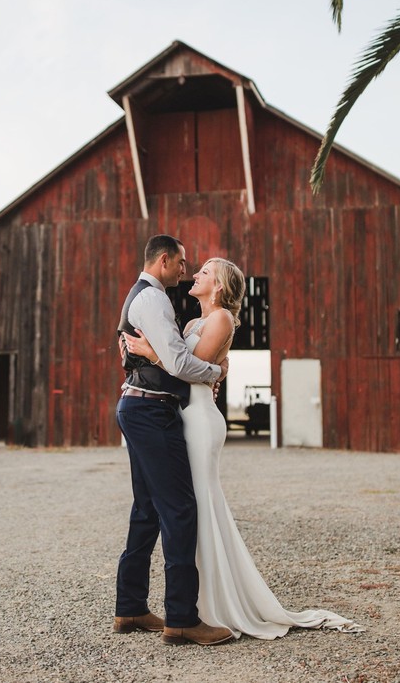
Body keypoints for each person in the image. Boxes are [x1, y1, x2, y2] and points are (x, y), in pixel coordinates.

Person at [124, 256, 363, 639]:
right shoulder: (189, 323)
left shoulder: (222, 319)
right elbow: (189, 365)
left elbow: (188, 369)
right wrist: (196, 365)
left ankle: (207, 604)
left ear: (218, 286)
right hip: (183, 416)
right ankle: (195, 603)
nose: (195, 274)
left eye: (204, 272)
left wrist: (154, 354)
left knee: (196, 502)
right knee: (189, 504)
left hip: (201, 419)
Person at [114, 234, 235, 646]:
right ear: (164, 260)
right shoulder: (153, 299)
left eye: (195, 268)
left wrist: (147, 354)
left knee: (147, 508)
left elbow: (167, 356)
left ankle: (130, 608)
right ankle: (183, 619)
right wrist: (216, 373)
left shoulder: (148, 298)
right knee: (180, 508)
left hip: (142, 405)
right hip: (150, 410)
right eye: (182, 263)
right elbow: (181, 362)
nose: (186, 271)